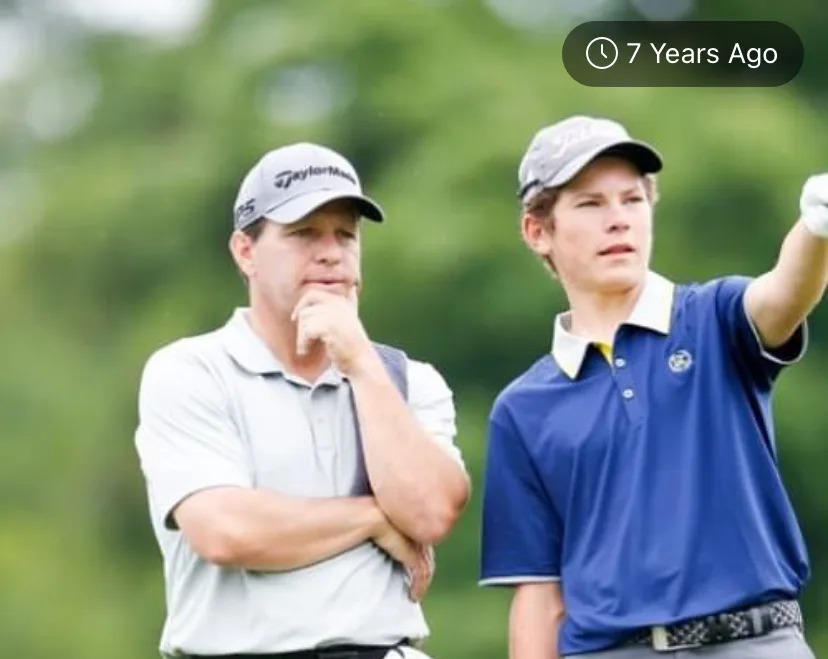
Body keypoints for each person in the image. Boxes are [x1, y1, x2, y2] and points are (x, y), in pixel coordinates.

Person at [479, 115, 828, 658]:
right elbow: (540, 596)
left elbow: (784, 295)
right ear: (537, 231)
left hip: (760, 642)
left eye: (632, 200)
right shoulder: (523, 409)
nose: (617, 220)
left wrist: (815, 226)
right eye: (590, 204)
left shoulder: (714, 318)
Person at [134, 142, 470, 659]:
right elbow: (225, 530)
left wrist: (360, 363)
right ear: (246, 252)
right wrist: (375, 518)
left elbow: (429, 515)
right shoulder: (190, 372)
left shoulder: (407, 380)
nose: (331, 252)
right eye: (303, 234)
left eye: (346, 235)